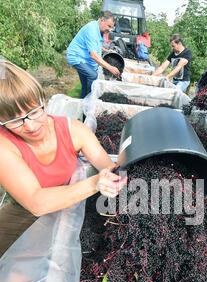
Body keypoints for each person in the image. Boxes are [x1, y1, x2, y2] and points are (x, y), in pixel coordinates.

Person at [0, 60, 127, 257]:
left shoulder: (74, 131)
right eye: (15, 120)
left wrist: (120, 178)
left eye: (34, 111)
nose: (31, 126)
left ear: (44, 101)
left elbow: (109, 167)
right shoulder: (4, 146)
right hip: (24, 214)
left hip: (66, 209)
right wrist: (95, 183)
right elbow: (36, 203)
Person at [66, 10, 121, 98]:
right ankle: (89, 100)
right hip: (76, 57)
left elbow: (94, 45)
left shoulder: (99, 30)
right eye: (109, 26)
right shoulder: (91, 29)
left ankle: (83, 104)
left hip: (85, 59)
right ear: (102, 20)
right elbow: (93, 55)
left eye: (112, 27)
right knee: (93, 75)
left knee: (85, 85)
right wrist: (110, 68)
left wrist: (105, 50)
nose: (110, 30)